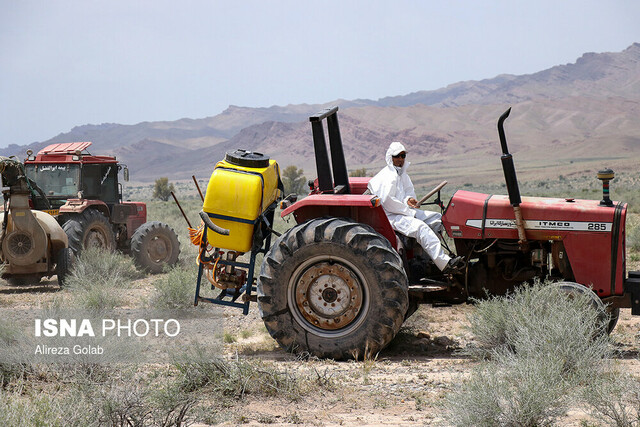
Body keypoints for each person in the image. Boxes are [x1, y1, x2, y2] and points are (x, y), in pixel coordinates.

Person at [367, 141, 465, 272]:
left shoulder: (402, 175)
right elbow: (388, 201)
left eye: (403, 156)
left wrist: (409, 200)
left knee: (437, 218)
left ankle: (430, 259)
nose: (401, 159)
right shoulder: (387, 177)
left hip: (404, 211)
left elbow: (407, 193)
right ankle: (445, 264)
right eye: (397, 156)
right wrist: (407, 209)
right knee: (421, 228)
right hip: (392, 216)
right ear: (390, 158)